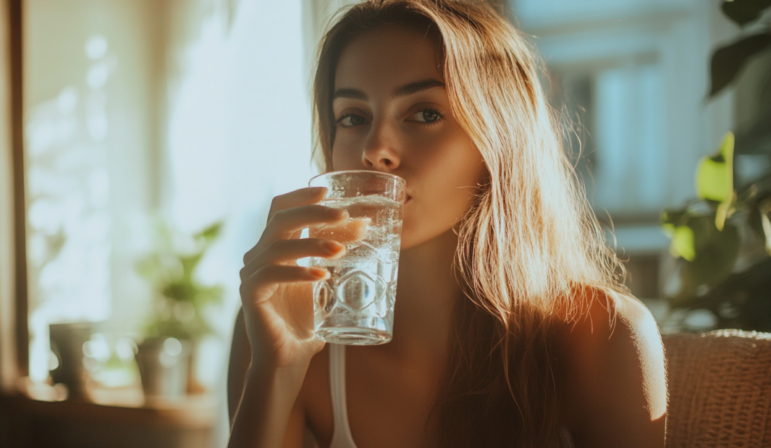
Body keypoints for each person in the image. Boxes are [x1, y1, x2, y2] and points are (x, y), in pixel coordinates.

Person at [227, 1, 667, 447]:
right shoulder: (279, 328)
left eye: (425, 113)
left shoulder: (603, 336)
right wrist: (276, 370)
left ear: (497, 140)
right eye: (354, 117)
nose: (376, 150)